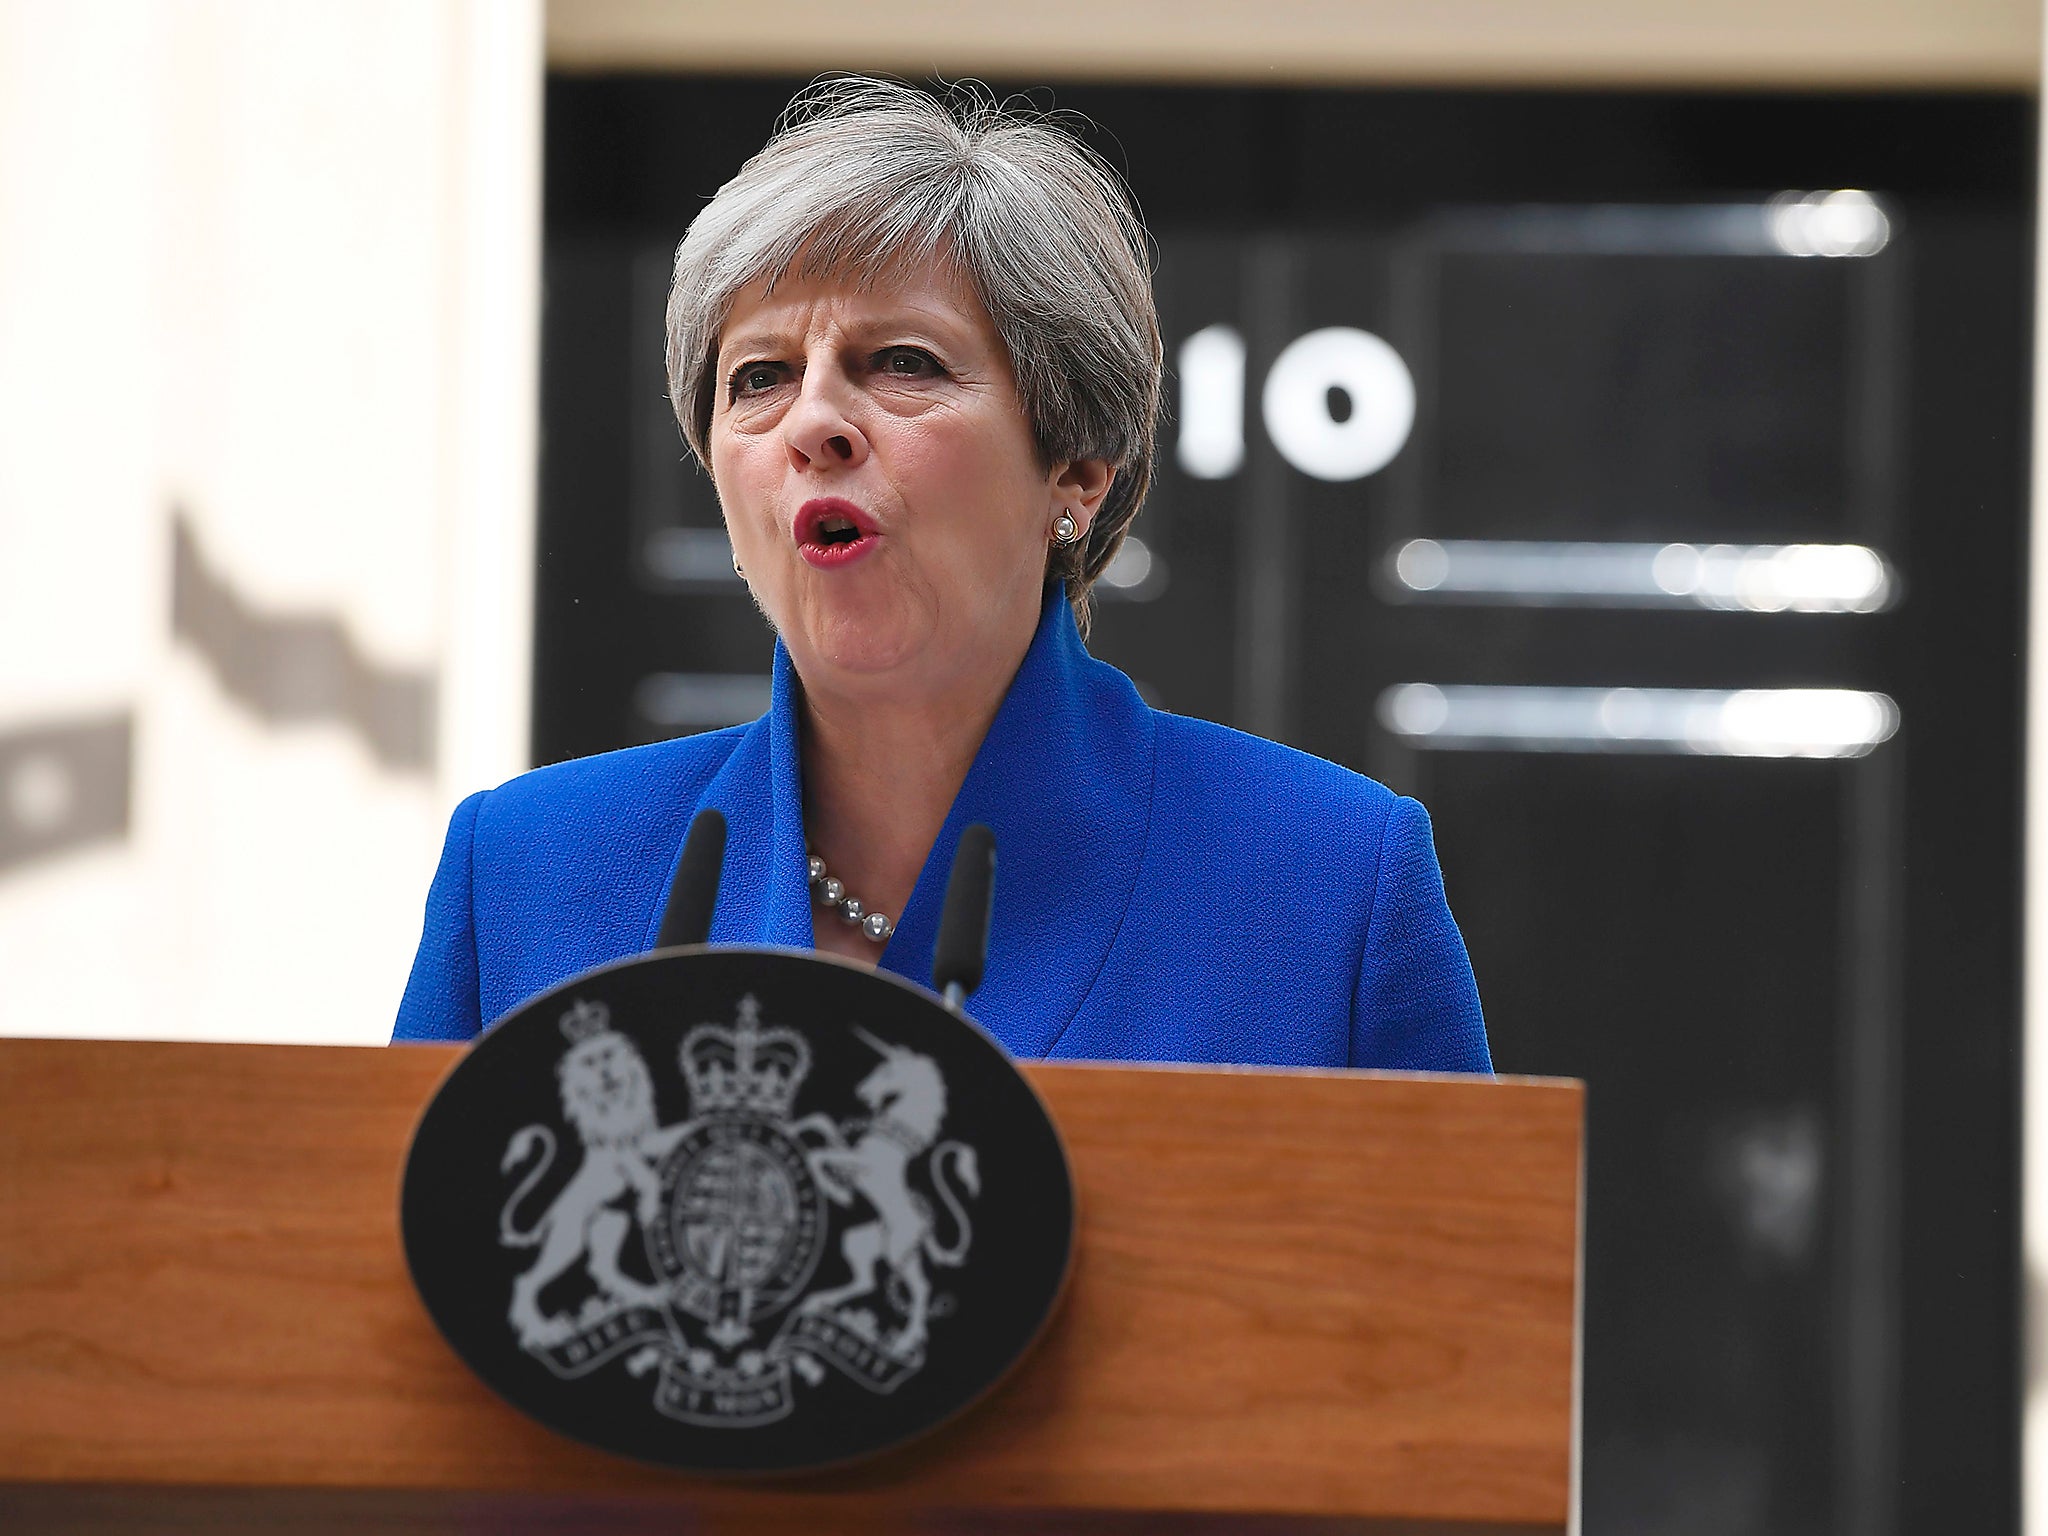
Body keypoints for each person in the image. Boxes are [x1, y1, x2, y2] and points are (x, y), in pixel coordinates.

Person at [394, 78, 1490, 1073]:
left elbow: (1454, 1295)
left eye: (901, 363)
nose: (814, 420)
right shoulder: (527, 874)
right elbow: (397, 1287)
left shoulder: (1331, 882)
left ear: (1076, 464)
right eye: (759, 377)